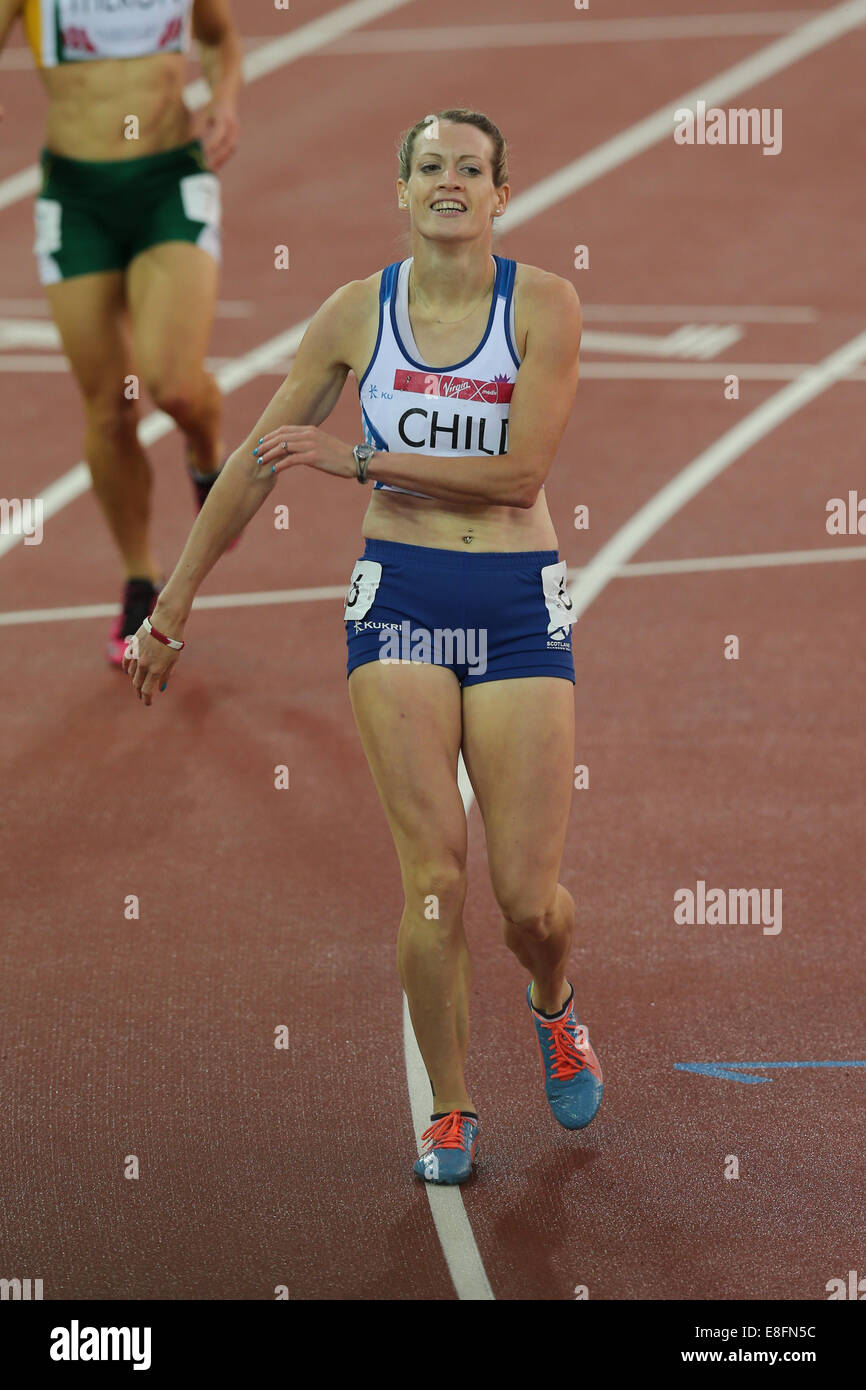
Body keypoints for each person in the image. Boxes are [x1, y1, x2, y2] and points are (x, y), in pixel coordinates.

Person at [123, 109, 603, 1185]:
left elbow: (520, 474)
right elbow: (255, 458)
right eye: (429, 167)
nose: (448, 183)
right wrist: (172, 606)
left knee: (529, 902)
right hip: (401, 598)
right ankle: (449, 1105)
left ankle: (553, 1003)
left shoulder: (542, 306)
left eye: (469, 169)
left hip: (517, 597)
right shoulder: (353, 314)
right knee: (432, 875)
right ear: (399, 190)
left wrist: (361, 461)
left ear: (499, 194)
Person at [0, 0, 241, 663]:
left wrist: (222, 98)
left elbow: (219, 38)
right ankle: (140, 579)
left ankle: (206, 452)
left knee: (177, 389)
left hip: (168, 183)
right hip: (76, 201)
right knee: (109, 408)